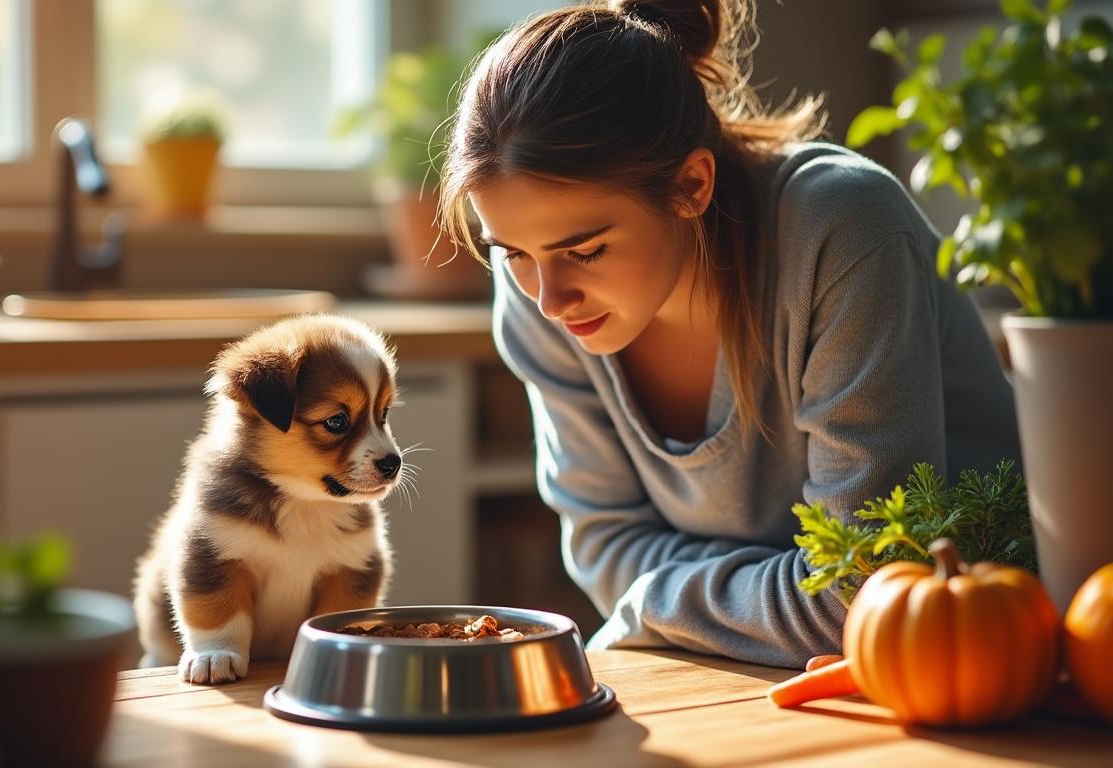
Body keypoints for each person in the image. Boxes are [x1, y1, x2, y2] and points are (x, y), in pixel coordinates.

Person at [437, 0, 1021, 668]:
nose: (547, 298)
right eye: (510, 251)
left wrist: (654, 598)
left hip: (976, 653)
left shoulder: (842, 228)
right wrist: (770, 595)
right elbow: (603, 550)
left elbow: (867, 591)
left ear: (691, 184)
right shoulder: (537, 289)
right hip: (745, 670)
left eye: (588, 250)